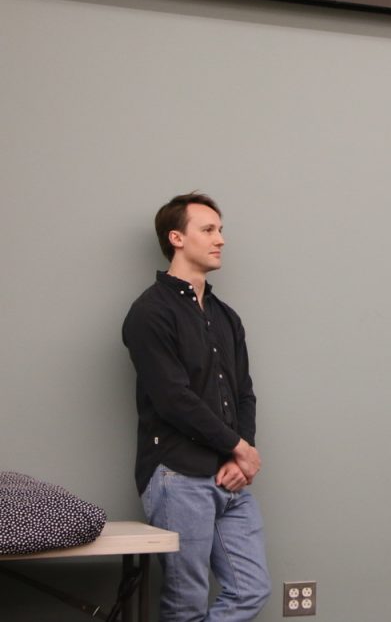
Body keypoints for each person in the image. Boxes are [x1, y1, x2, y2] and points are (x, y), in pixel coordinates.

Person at [123, 192, 271, 621]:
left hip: (230, 478)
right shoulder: (149, 313)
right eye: (208, 229)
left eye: (220, 230)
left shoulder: (226, 317)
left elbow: (243, 393)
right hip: (178, 476)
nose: (220, 239)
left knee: (251, 590)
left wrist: (241, 454)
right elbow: (173, 399)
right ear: (177, 238)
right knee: (186, 601)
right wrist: (239, 447)